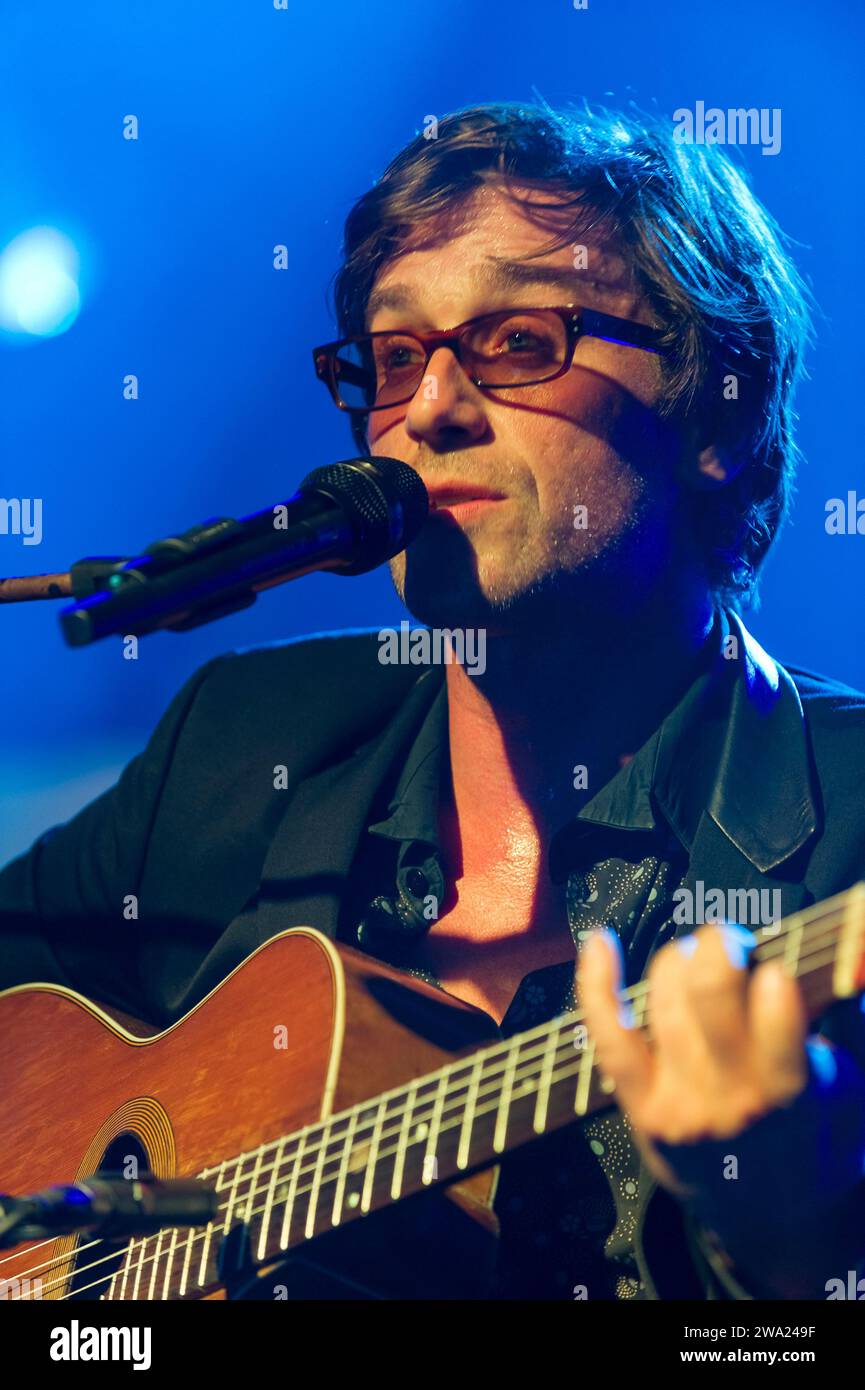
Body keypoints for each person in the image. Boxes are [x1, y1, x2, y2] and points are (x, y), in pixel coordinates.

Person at [2, 101, 864, 1300]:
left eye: (516, 341)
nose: (427, 409)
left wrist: (794, 1229)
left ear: (714, 411)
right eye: (396, 356)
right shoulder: (249, 735)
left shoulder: (850, 820)